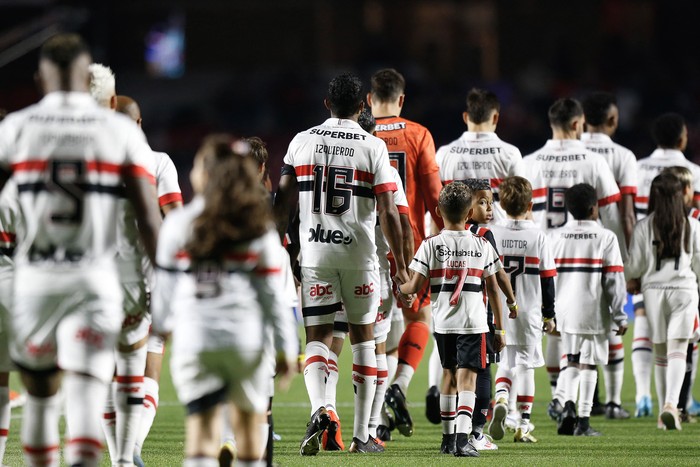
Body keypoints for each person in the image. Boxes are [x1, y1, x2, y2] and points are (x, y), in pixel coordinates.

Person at [0, 33, 161, 466]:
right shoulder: (117, 130)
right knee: (88, 395)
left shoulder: (16, 128)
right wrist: (167, 280)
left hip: (35, 281)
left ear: (41, 78)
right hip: (95, 280)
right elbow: (149, 217)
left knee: (41, 401)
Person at [273, 73, 408, 454]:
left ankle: (323, 409)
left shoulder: (301, 141)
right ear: (363, 104)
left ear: (326, 103)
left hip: (315, 254)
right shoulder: (372, 146)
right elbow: (388, 209)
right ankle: (363, 436)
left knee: (316, 338)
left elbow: (282, 202)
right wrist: (399, 264)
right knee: (365, 339)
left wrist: (281, 248)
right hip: (360, 257)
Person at [151, 136, 297, 466]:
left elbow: (164, 295)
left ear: (206, 174)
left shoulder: (179, 224)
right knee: (248, 431)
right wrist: (287, 348)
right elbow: (273, 295)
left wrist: (162, 327)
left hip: (196, 339)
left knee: (202, 435)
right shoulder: (259, 227)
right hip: (246, 340)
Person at [514, 98, 624, 420]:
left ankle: (557, 395)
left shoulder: (529, 162)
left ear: (552, 123)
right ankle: (569, 401)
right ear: (578, 124)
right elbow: (612, 216)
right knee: (582, 334)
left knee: (552, 325)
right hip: (585, 254)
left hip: (540, 253)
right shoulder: (593, 161)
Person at [321, 109, 413, 452]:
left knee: (331, 342)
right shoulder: (385, 170)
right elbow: (401, 224)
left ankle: (327, 414)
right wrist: (406, 270)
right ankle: (369, 430)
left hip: (329, 261)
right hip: (373, 270)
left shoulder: (327, 163)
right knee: (376, 349)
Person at [397, 182, 509, 457]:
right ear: (470, 213)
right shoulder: (481, 244)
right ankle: (462, 438)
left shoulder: (431, 244)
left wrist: (402, 292)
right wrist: (501, 329)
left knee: (448, 375)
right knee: (467, 380)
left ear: (438, 212)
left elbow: (414, 285)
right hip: (473, 322)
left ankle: (447, 439)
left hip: (443, 322)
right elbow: (494, 288)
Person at [368, 69, 444, 437]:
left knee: (379, 335)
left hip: (365, 246)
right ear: (401, 99)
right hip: (408, 246)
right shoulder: (418, 134)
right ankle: (399, 385)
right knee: (420, 320)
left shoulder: (358, 133)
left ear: (369, 99)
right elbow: (435, 199)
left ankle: (378, 423)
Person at [113, 94, 184, 467]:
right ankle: (130, 451)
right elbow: (176, 218)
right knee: (148, 367)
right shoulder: (158, 162)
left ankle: (119, 453)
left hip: (99, 282)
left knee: (109, 376)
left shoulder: (95, 163)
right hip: (148, 283)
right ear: (139, 124)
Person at [632, 113, 700, 417]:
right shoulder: (692, 225)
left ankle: (658, 407)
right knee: (679, 349)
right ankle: (675, 404)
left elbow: (635, 264)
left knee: (659, 352)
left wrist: (631, 279)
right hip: (684, 288)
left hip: (653, 289)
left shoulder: (645, 225)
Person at [549, 184, 628, 436]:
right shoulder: (606, 237)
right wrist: (619, 314)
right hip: (593, 310)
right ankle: (583, 421)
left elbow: (548, 278)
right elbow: (614, 281)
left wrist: (548, 311)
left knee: (571, 360)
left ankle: (568, 409)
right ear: (595, 207)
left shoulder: (554, 237)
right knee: (590, 364)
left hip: (563, 310)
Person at [581, 91, 637, 419]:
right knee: (613, 321)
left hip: (568, 248)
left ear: (583, 119)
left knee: (573, 324)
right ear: (613, 120)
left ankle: (581, 399)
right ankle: (613, 402)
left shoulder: (573, 149)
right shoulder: (624, 156)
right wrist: (631, 261)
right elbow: (627, 214)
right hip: (608, 247)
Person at [488, 176, 557, 443]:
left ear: (502, 204)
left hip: (501, 311)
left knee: (506, 362)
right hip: (528, 311)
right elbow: (548, 278)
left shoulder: (495, 233)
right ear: (530, 204)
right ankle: (523, 423)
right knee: (527, 367)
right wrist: (549, 314)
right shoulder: (538, 235)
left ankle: (503, 398)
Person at [435, 87, 523, 222]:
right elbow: (519, 206)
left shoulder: (444, 154)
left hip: (456, 240)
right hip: (497, 239)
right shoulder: (510, 153)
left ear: (465, 117)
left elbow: (436, 202)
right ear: (495, 118)